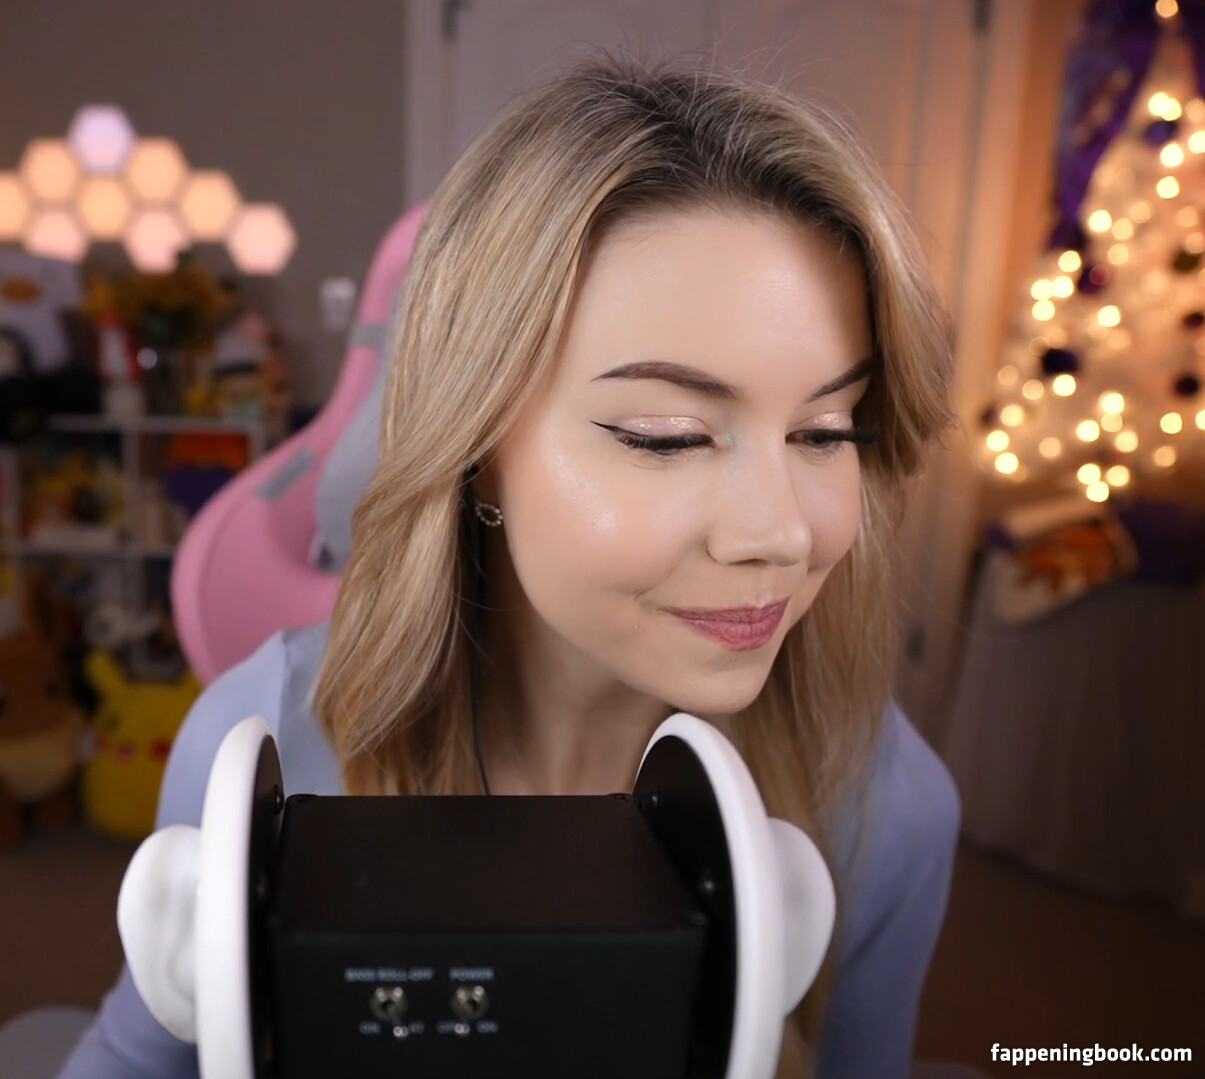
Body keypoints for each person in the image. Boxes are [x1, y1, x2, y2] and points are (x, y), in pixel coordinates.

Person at [58, 52, 960, 1079]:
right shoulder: (263, 740)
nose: (782, 532)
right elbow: (138, 1056)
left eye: (827, 430)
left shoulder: (883, 807)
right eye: (666, 436)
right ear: (476, 441)